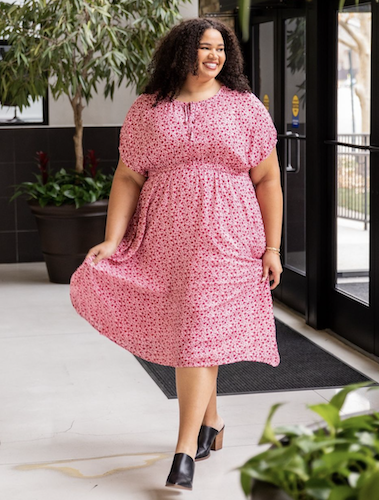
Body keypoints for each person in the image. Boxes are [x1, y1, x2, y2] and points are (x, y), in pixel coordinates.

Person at [70, 17, 283, 491]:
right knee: (192, 329)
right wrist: (111, 238)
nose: (215, 56)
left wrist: (272, 246)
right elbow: (128, 178)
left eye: (221, 49)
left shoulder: (244, 107)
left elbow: (268, 179)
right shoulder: (149, 109)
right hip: (166, 238)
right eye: (205, 48)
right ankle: (213, 424)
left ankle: (184, 451)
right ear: (181, 53)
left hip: (229, 237)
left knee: (197, 333)